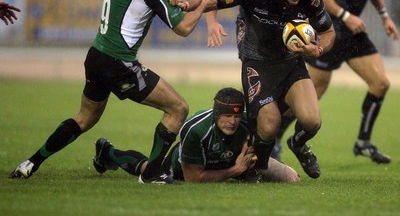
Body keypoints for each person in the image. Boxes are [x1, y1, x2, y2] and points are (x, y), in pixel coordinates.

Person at [9, 0, 216, 184]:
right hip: (120, 64)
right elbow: (183, 29)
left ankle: (31, 163)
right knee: (178, 108)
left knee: (84, 119)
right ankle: (152, 175)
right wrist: (205, 5)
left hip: (96, 57)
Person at [198, 0, 335, 180]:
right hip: (257, 62)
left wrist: (317, 50)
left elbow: (329, 33)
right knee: (270, 124)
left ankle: (298, 144)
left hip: (291, 63)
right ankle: (258, 169)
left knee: (312, 121)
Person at [203, 0, 313, 160]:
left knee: (305, 113)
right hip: (256, 35)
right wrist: (212, 21)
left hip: (288, 38)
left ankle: (279, 134)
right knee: (267, 117)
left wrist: (308, 15)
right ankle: (259, 151)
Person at [306, 0, 398, 164]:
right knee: (311, 95)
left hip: (355, 35)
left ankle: (363, 143)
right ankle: (275, 140)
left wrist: (385, 16)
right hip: (332, 32)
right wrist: (346, 16)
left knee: (380, 84)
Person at [92, 87, 300, 183]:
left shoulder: (246, 122)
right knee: (148, 168)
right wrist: (235, 170)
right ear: (217, 114)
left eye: (236, 117)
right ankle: (108, 152)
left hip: (232, 161)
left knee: (292, 178)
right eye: (227, 116)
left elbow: (281, 113)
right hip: (185, 169)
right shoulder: (196, 131)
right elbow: (193, 178)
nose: (232, 122)